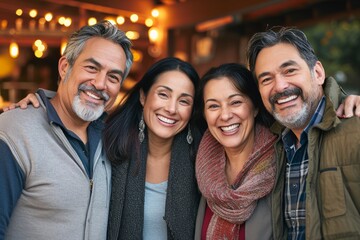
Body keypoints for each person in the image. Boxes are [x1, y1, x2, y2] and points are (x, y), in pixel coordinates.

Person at [0, 20, 133, 240]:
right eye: (92, 67)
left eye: (113, 77)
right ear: (64, 67)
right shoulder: (14, 131)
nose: (100, 83)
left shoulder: (113, 136)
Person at [247, 27, 360, 239]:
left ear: (317, 73)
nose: (280, 86)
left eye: (289, 71)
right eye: (266, 79)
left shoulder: (355, 128)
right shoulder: (273, 145)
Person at [104, 57, 201, 240]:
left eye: (184, 101)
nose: (171, 109)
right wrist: (44, 101)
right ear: (143, 96)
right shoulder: (110, 143)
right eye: (163, 94)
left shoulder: (204, 158)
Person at [194, 63, 277, 240]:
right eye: (213, 106)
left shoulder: (283, 161)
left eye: (236, 102)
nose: (225, 115)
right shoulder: (201, 170)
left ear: (255, 107)